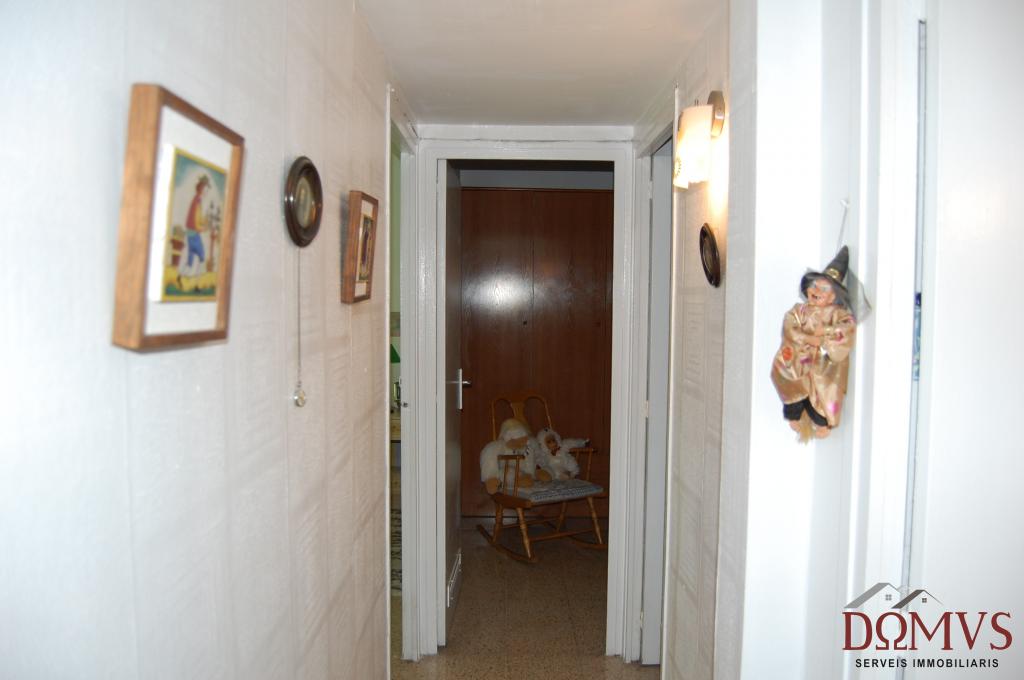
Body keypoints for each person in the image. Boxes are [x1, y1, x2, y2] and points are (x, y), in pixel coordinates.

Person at [771, 246, 857, 441]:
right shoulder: (801, 310)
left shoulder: (837, 314)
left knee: (824, 389)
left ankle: (823, 420)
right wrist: (807, 338)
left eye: (824, 289)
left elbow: (846, 328)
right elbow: (789, 324)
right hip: (800, 358)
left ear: (833, 296)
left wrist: (825, 333)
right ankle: (794, 413)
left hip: (822, 363)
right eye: (815, 286)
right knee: (787, 369)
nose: (817, 291)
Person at [179, 175, 209, 288]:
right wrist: (203, 228)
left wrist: (205, 221)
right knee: (202, 258)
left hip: (190, 234)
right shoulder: (197, 201)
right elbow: (196, 223)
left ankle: (180, 276)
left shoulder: (197, 200)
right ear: (201, 188)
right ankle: (197, 285)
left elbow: (198, 218)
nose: (206, 191)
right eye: (206, 188)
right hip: (194, 234)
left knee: (190, 261)